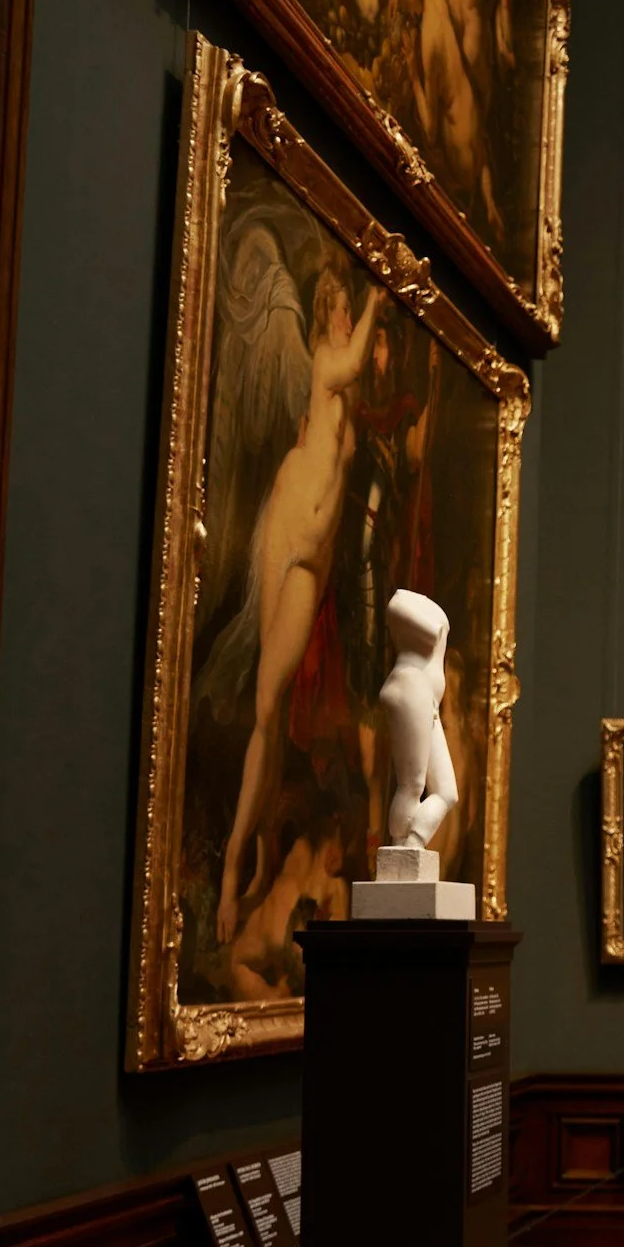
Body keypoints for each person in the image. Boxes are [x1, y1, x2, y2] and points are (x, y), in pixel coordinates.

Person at [214, 270, 383, 942]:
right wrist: (379, 299)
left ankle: (257, 863)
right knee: (264, 704)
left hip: (312, 546)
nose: (347, 323)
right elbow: (344, 363)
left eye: (349, 313)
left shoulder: (345, 396)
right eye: (340, 313)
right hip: (289, 521)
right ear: (326, 319)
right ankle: (231, 881)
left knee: (275, 707)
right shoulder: (325, 361)